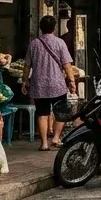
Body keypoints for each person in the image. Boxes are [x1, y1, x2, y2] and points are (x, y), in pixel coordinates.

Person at [23, 14, 78, 151]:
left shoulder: (34, 44)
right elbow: (66, 65)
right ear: (54, 28)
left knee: (42, 113)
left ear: (41, 28)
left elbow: (27, 65)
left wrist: (25, 81)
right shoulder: (60, 43)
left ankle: (44, 144)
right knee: (61, 112)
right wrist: (72, 81)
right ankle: (55, 138)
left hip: (39, 84)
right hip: (57, 85)